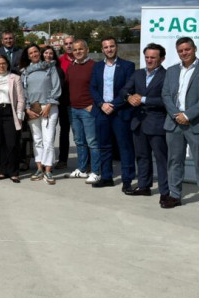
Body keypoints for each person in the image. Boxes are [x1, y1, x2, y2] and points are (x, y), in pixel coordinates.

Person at [161, 37, 199, 219]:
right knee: (174, 161)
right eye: (180, 50)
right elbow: (166, 95)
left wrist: (187, 115)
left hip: (197, 123)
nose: (184, 53)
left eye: (187, 49)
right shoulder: (171, 71)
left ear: (195, 49)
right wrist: (176, 114)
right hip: (174, 122)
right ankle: (175, 196)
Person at [120, 43, 168, 201]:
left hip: (156, 123)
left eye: (153, 57)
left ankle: (165, 192)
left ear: (161, 59)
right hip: (138, 122)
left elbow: (166, 100)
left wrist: (143, 99)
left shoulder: (167, 76)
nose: (149, 60)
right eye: (147, 57)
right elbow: (124, 90)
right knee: (142, 156)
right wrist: (129, 97)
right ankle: (144, 186)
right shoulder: (138, 74)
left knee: (161, 159)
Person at [89, 37, 135, 189]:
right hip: (102, 112)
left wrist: (113, 105)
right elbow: (93, 88)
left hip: (120, 112)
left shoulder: (128, 66)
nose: (109, 49)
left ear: (116, 47)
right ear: (102, 50)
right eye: (106, 47)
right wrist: (102, 104)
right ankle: (107, 177)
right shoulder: (97, 67)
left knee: (124, 147)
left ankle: (127, 180)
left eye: (111, 46)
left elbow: (128, 89)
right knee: (104, 146)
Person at [21, 44, 61, 185]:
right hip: (33, 109)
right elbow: (24, 92)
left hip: (49, 107)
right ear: (28, 55)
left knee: (48, 140)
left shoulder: (50, 67)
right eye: (30, 53)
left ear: (40, 52)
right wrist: (26, 109)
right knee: (37, 140)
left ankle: (48, 169)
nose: (34, 54)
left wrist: (49, 104)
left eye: (36, 51)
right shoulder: (25, 72)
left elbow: (56, 87)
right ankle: (39, 168)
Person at [0, 55, 25, 183]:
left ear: (7, 64)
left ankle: (14, 171)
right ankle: (3, 170)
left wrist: (20, 115)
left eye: (3, 63)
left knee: (12, 142)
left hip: (10, 111)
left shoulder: (15, 78)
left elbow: (21, 98)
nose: (1, 66)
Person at [66, 39, 98, 182]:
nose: (78, 52)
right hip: (74, 109)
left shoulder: (94, 66)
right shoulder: (71, 67)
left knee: (92, 142)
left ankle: (96, 171)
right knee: (79, 141)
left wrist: (94, 104)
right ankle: (82, 169)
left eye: (80, 49)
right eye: (75, 50)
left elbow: (100, 87)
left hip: (88, 109)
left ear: (87, 49)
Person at [43, 46, 70, 168]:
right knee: (48, 134)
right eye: (46, 53)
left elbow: (60, 88)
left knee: (63, 132)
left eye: (51, 53)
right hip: (45, 105)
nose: (48, 55)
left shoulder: (57, 70)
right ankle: (47, 159)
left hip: (60, 104)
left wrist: (52, 101)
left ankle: (62, 159)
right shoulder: (39, 69)